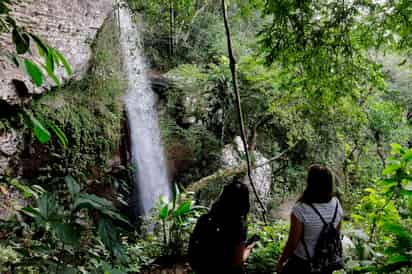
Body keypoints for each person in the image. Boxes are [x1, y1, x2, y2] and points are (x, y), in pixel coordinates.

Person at [276, 164, 344, 274]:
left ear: (310, 183)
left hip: (302, 263)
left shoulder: (301, 209)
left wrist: (281, 261)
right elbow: (336, 233)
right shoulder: (336, 204)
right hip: (325, 262)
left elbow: (292, 242)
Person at [188, 178, 256, 274]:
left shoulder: (204, 219)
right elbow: (237, 263)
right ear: (244, 203)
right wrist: (249, 248)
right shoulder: (238, 227)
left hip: (201, 268)